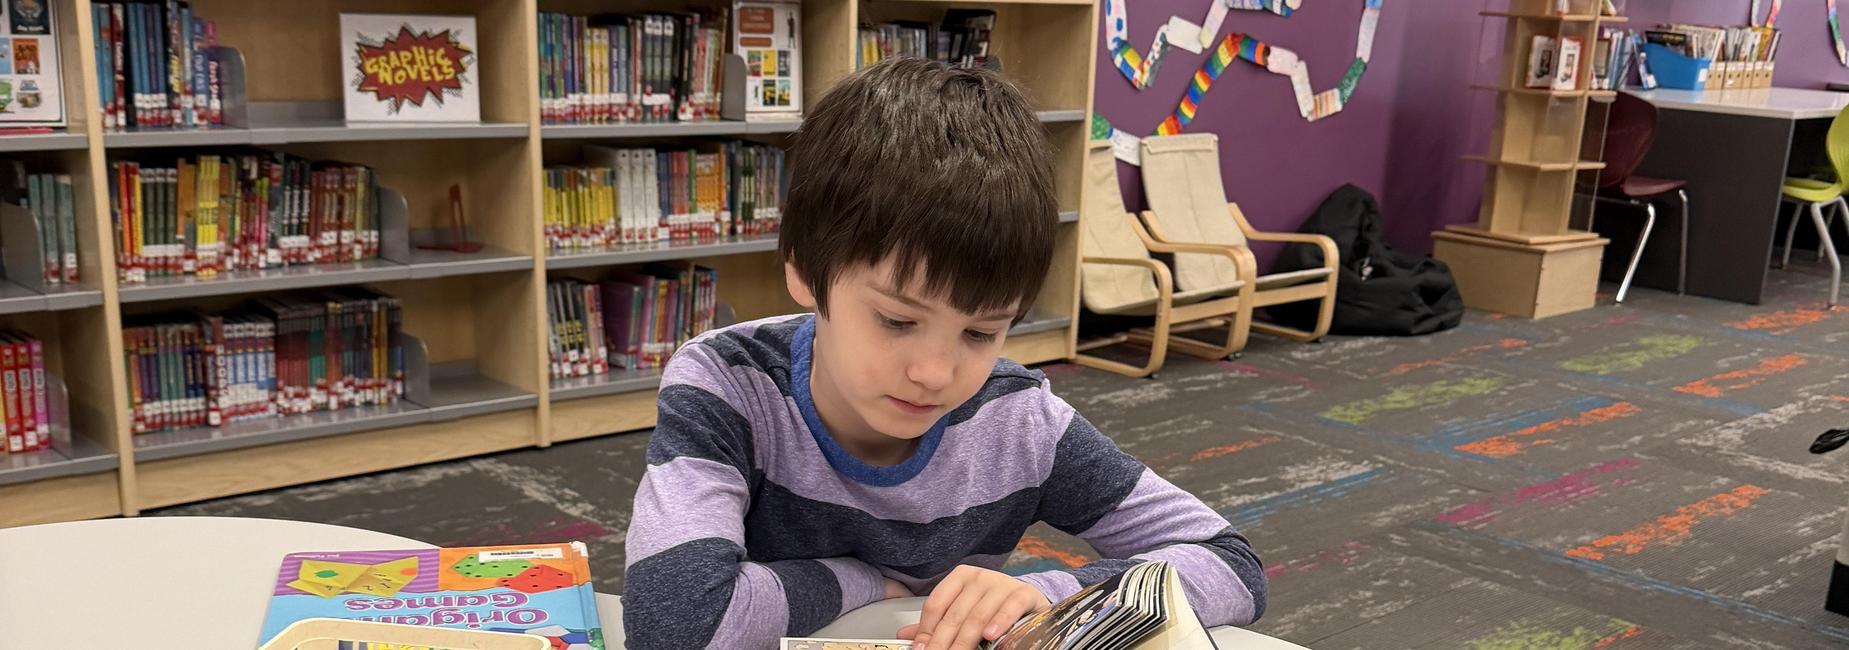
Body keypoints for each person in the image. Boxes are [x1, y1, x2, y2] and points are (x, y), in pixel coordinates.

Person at [621, 57, 1266, 650]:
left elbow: (1231, 562)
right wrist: (864, 581)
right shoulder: (727, 383)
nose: (934, 373)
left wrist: (1049, 596)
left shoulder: (1018, 423)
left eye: (981, 334)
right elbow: (674, 625)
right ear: (805, 274)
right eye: (897, 319)